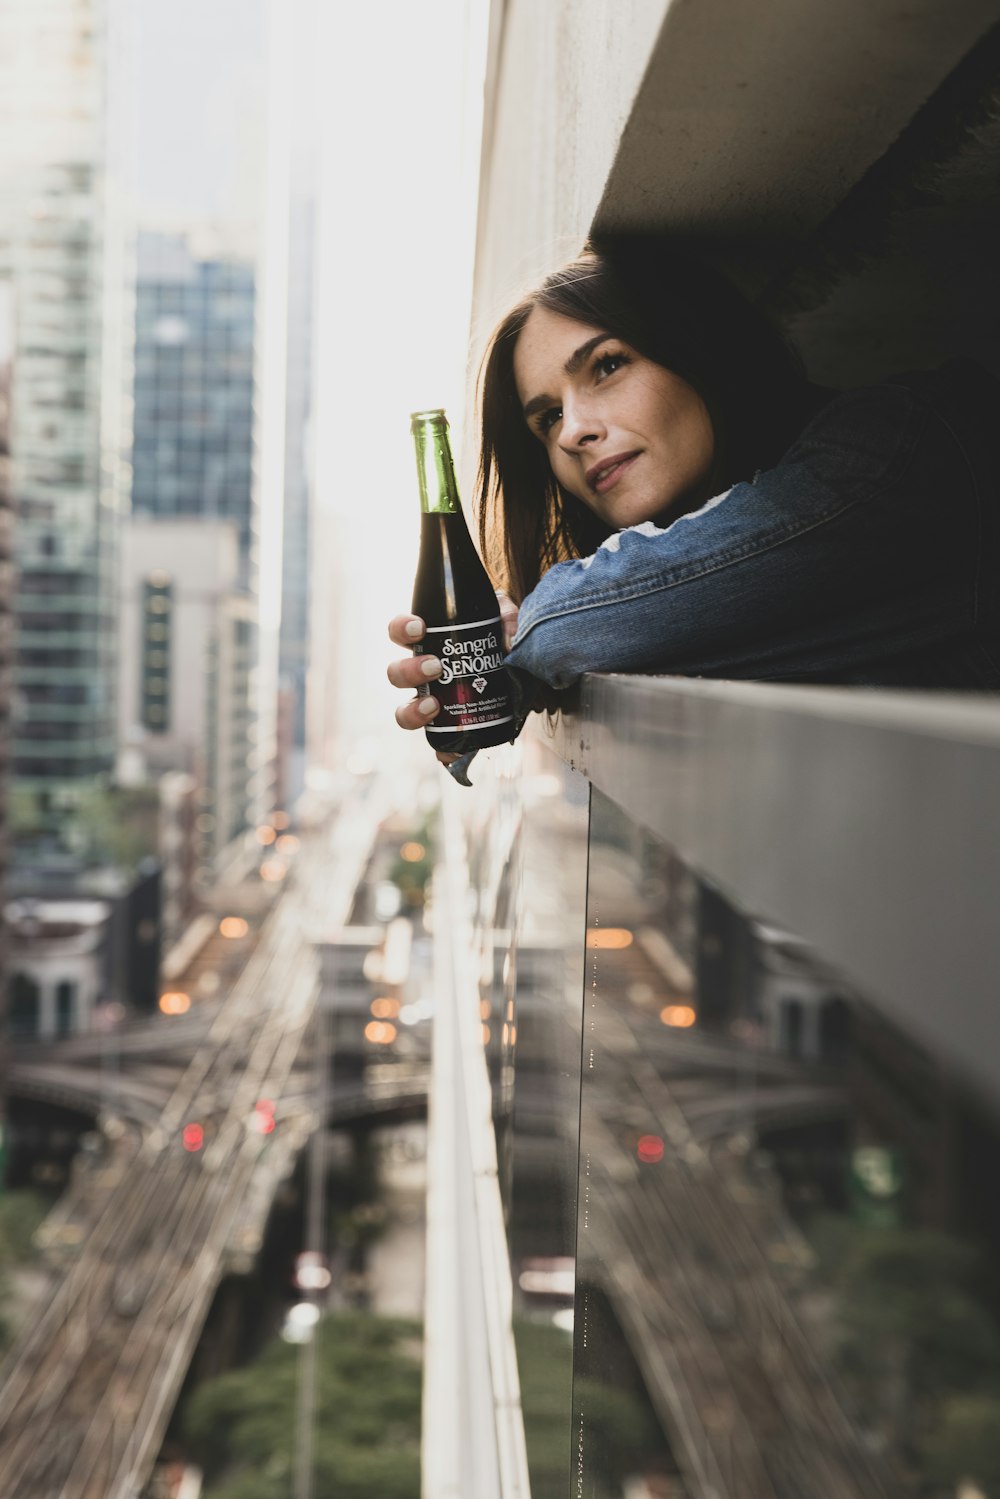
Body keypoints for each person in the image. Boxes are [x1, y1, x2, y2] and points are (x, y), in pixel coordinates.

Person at [388, 236, 1000, 764]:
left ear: (699, 348)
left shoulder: (898, 445)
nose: (572, 431)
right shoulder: (685, 599)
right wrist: (489, 686)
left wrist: (521, 641)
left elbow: (561, 631)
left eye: (607, 366)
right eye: (548, 417)